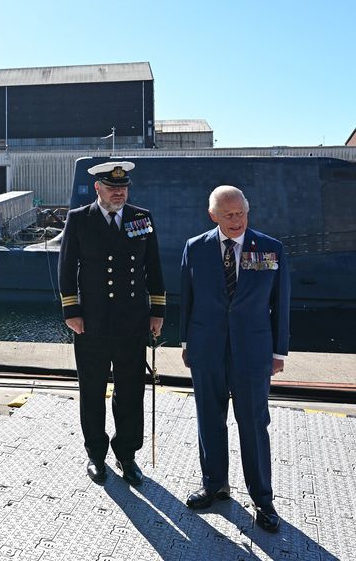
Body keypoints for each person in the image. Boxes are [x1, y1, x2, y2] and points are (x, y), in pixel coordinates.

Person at [179, 185, 290, 532]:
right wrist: (186, 342)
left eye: (241, 213)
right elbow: (188, 299)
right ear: (212, 215)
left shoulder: (270, 249)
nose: (236, 220)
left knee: (254, 425)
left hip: (253, 352)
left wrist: (278, 351)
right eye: (228, 215)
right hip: (206, 348)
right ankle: (214, 485)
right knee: (209, 419)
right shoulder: (195, 249)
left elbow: (280, 303)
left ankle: (263, 498)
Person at [58, 160, 165, 486]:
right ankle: (95, 454)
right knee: (92, 389)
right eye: (112, 187)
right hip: (91, 321)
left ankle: (126, 453)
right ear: (98, 188)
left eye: (123, 187)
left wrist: (157, 311)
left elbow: (153, 265)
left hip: (132, 321)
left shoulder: (140, 218)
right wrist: (71, 312)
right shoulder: (79, 220)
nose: (119, 192)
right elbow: (66, 269)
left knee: (131, 390)